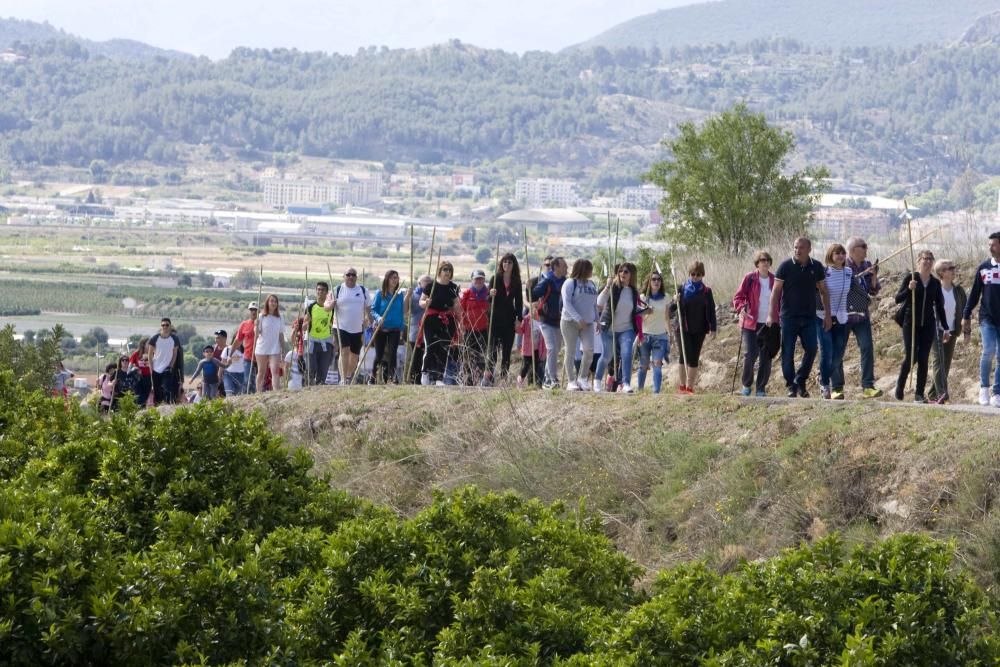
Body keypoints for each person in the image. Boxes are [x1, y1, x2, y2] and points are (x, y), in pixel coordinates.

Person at [768, 238, 832, 398]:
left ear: (809, 249)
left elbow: (824, 291)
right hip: (788, 317)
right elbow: (775, 292)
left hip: (809, 317)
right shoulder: (785, 267)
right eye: (795, 247)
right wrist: (771, 314)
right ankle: (791, 385)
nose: (797, 250)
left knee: (812, 349)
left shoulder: (816, 267)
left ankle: (800, 380)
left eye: (801, 248)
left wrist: (827, 315)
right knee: (787, 352)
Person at [894, 250, 950, 403]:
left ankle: (919, 394)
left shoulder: (934, 283)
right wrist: (909, 289)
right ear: (918, 261)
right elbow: (897, 299)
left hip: (928, 325)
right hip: (910, 323)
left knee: (924, 358)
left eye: (930, 259)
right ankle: (900, 385)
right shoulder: (911, 278)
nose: (928, 262)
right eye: (924, 259)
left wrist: (945, 327)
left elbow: (939, 306)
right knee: (911, 357)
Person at [961, 230, 1000, 407]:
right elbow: (975, 293)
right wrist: (966, 314)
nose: (990, 247)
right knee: (989, 350)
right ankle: (984, 387)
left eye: (993, 244)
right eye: (989, 244)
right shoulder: (984, 268)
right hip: (987, 318)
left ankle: (997, 393)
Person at [732, 251, 775, 397]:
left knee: (766, 356)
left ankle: (761, 388)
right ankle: (746, 384)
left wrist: (776, 317)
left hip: (768, 324)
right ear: (757, 263)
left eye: (767, 260)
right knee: (751, 353)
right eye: (762, 260)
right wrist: (741, 307)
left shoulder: (774, 280)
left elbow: (779, 301)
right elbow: (738, 297)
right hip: (750, 322)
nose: (765, 262)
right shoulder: (749, 278)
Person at [845, 238, 883, 398]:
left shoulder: (867, 265)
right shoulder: (843, 264)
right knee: (838, 351)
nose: (867, 249)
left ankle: (867, 385)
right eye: (863, 247)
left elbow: (873, 291)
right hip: (844, 315)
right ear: (853, 250)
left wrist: (873, 276)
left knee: (867, 348)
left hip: (861, 315)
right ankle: (835, 387)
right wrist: (855, 277)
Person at [671, 261, 717, 394]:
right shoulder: (681, 288)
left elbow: (712, 310)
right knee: (684, 354)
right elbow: (672, 309)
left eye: (698, 274)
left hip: (700, 328)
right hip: (682, 328)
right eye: (693, 274)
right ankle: (682, 386)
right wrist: (675, 300)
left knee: (694, 357)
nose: (695, 277)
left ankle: (690, 387)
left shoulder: (707, 291)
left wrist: (713, 328)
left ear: (702, 275)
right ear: (689, 274)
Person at [596, 262, 641, 393]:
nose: (622, 273)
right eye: (620, 271)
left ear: (631, 275)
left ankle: (626, 383)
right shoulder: (613, 287)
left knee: (626, 354)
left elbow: (632, 309)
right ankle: (597, 380)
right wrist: (607, 286)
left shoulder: (633, 291)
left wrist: (645, 310)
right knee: (607, 355)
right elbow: (599, 303)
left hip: (626, 329)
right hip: (609, 328)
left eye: (626, 271)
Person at [928, 258, 967, 404]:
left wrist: (966, 331)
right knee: (939, 362)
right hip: (936, 330)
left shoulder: (958, 291)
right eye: (950, 268)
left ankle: (932, 394)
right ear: (941, 273)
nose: (953, 269)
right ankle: (943, 395)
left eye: (953, 267)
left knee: (946, 364)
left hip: (952, 331)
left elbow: (965, 311)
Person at [817, 244, 852, 400]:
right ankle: (825, 384)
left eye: (842, 253)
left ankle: (822, 374)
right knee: (827, 352)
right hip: (823, 317)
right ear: (830, 255)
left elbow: (857, 289)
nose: (840, 255)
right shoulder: (824, 272)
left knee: (838, 355)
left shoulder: (849, 272)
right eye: (836, 253)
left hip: (842, 318)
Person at [419, 261, 462, 386]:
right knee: (431, 347)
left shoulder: (453, 287)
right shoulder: (430, 286)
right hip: (431, 320)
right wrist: (425, 302)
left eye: (449, 270)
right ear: (440, 271)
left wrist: (461, 322)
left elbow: (456, 306)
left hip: (447, 321)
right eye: (445, 269)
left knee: (444, 349)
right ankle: (425, 373)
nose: (447, 272)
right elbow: (421, 302)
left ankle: (438, 377)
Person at [325, 267, 370, 384]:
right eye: (348, 275)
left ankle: (348, 376)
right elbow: (326, 307)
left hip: (357, 328)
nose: (351, 277)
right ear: (344, 276)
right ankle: (343, 379)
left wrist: (368, 319)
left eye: (353, 275)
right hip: (340, 326)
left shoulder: (363, 290)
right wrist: (331, 305)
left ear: (356, 277)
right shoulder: (337, 290)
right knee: (344, 351)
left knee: (354, 356)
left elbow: (368, 308)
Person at [560, 259, 598, 391]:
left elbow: (594, 304)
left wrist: (597, 320)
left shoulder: (592, 284)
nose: (591, 272)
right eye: (590, 269)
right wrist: (578, 318)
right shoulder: (570, 283)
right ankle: (571, 381)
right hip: (569, 322)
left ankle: (582, 378)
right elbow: (567, 303)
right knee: (570, 351)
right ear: (583, 269)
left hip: (587, 324)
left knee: (589, 350)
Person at [487, 253, 524, 384]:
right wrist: (491, 294)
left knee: (507, 350)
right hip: (495, 318)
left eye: (509, 262)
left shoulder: (516, 281)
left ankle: (504, 377)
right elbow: (488, 299)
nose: (506, 265)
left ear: (514, 265)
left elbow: (519, 301)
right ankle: (490, 376)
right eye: (504, 262)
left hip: (509, 318)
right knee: (493, 350)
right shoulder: (495, 278)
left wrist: (519, 319)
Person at [531, 257, 568, 389]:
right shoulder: (547, 281)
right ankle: (552, 379)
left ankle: (546, 379)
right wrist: (534, 303)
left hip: (559, 321)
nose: (567, 268)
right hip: (545, 320)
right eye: (564, 266)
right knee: (551, 348)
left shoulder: (566, 282)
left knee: (556, 350)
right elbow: (533, 293)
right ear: (556, 267)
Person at [637, 270, 671, 394]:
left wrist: (669, 333)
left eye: (658, 279)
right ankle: (639, 390)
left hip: (660, 336)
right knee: (644, 365)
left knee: (657, 363)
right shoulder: (643, 297)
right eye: (653, 279)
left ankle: (656, 392)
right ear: (649, 282)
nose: (656, 281)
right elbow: (638, 317)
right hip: (645, 335)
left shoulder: (666, 297)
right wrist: (646, 311)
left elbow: (667, 317)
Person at [371, 270, 405, 384]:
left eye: (396, 278)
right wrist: (378, 318)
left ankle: (392, 378)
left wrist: (401, 327)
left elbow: (401, 312)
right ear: (387, 279)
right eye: (392, 278)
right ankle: (373, 378)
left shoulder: (399, 295)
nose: (395, 280)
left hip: (394, 330)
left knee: (392, 353)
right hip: (381, 329)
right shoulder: (380, 294)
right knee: (379, 355)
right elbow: (373, 310)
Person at [460, 269, 491, 385]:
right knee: (468, 355)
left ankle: (483, 380)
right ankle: (468, 380)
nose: (479, 281)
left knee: (482, 356)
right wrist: (461, 324)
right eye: (476, 279)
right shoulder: (467, 293)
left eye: (481, 279)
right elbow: (460, 310)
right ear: (472, 280)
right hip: (469, 330)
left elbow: (491, 309)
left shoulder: (488, 293)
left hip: (483, 330)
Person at [303, 281, 335, 386]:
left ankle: (320, 387)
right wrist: (305, 325)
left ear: (326, 292)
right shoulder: (311, 306)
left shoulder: (331, 307)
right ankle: (308, 386)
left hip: (326, 341)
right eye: (318, 290)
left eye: (322, 290)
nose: (320, 292)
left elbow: (334, 321)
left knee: (323, 369)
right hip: (312, 340)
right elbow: (306, 320)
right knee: (311, 368)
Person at [255, 294, 286, 392]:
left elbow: (281, 335)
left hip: (274, 349)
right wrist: (255, 326)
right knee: (261, 372)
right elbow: (257, 333)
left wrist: (283, 349)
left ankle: (276, 391)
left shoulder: (280, 317)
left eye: (275, 301)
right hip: (262, 348)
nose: (273, 303)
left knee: (275, 371)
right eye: (271, 301)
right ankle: (258, 392)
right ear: (267, 303)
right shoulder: (261, 316)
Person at [406, 274, 433, 384]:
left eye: (429, 281)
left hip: (429, 330)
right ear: (419, 283)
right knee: (415, 357)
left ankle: (426, 379)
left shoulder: (432, 295)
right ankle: (415, 379)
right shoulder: (414, 296)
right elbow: (405, 310)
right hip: (415, 331)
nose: (427, 283)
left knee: (427, 356)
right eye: (425, 281)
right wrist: (407, 296)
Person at [147, 317, 180, 405]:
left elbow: (175, 354)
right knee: (157, 391)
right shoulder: (154, 338)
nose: (165, 327)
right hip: (156, 368)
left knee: (167, 389)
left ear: (170, 326)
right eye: (163, 325)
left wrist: (171, 366)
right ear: (161, 326)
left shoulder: (174, 339)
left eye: (166, 325)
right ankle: (157, 407)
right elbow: (149, 355)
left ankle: (167, 406)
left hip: (167, 368)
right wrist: (151, 368)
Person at [232, 302, 258, 393]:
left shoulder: (262, 324)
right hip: (248, 356)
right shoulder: (244, 324)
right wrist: (230, 352)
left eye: (255, 310)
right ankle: (247, 397)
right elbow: (238, 340)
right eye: (251, 310)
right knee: (247, 380)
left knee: (258, 380)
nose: (253, 312)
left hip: (261, 357)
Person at [516, 305, 545, 388]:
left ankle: (532, 385)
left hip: (537, 349)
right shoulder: (526, 319)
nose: (535, 311)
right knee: (525, 366)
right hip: (527, 349)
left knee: (534, 367)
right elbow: (520, 330)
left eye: (537, 308)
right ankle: (519, 381)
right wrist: (517, 325)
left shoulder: (541, 320)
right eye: (533, 308)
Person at [127, 336, 152, 407]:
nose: (150, 345)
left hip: (149, 378)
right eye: (148, 343)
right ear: (143, 344)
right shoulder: (136, 354)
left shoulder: (152, 353)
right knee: (139, 397)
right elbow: (129, 368)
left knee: (146, 396)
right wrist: (135, 369)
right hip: (138, 378)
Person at [284, 321, 305, 390]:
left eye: (299, 338)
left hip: (303, 384)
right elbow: (286, 367)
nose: (297, 340)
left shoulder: (307, 354)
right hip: (292, 384)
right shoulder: (291, 354)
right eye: (296, 338)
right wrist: (287, 378)